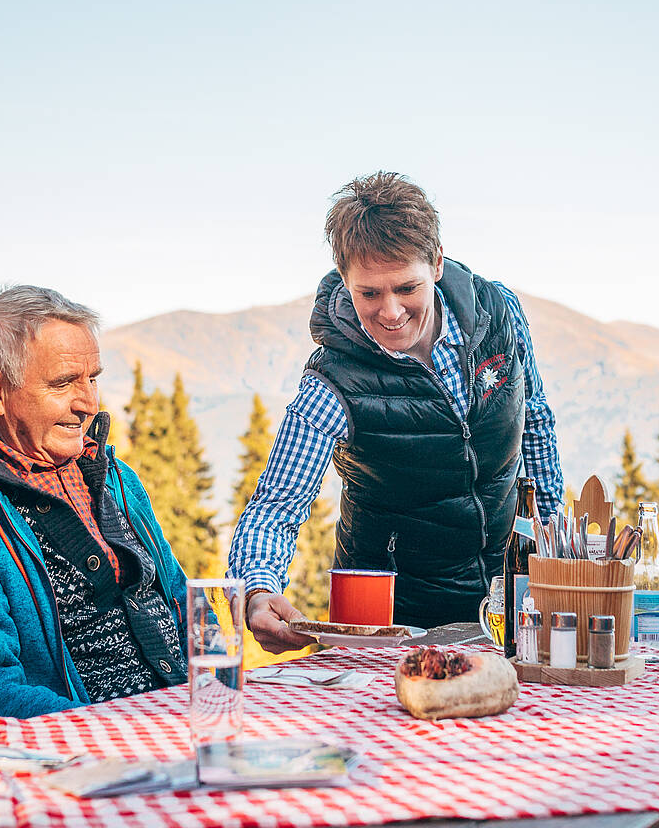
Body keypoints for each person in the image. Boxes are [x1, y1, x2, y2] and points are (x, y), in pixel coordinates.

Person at [231, 172, 566, 648]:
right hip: (387, 623)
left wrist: (557, 558)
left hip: (510, 601)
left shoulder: (500, 314)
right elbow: (278, 503)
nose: (390, 312)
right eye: (369, 293)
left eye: (406, 287)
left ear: (436, 264)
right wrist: (258, 590)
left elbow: (534, 425)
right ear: (345, 281)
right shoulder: (333, 380)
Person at [0, 286, 189, 731]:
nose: (90, 403)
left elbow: (182, 606)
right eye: (64, 382)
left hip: (182, 721)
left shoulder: (116, 478)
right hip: (87, 757)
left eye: (92, 378)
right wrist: (130, 730)